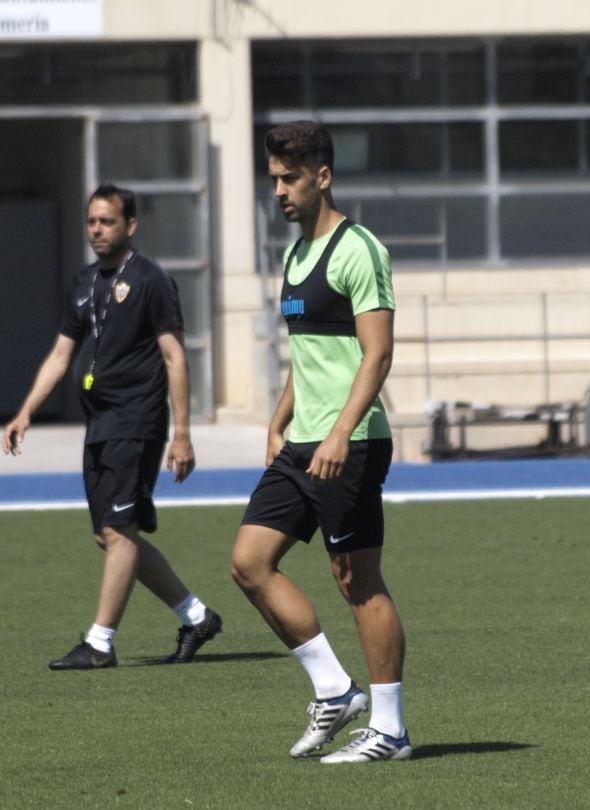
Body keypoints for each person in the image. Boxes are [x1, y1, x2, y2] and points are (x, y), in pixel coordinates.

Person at [230, 121, 410, 763]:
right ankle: (334, 689)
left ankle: (389, 730)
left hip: (352, 441)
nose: (278, 190)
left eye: (289, 178)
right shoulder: (292, 254)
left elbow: (377, 354)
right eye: (273, 178)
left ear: (322, 177)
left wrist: (338, 431)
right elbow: (305, 356)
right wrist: (279, 421)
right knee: (249, 562)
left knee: (356, 581)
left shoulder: (359, 249)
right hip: (303, 441)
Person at [2, 183, 222, 670]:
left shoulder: (151, 281)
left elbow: (173, 356)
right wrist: (26, 411)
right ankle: (196, 615)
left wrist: (182, 433)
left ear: (130, 226)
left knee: (121, 531)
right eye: (91, 222)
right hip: (99, 422)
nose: (96, 230)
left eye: (107, 222)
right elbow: (62, 353)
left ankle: (100, 644)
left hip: (137, 418)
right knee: (110, 534)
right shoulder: (82, 282)